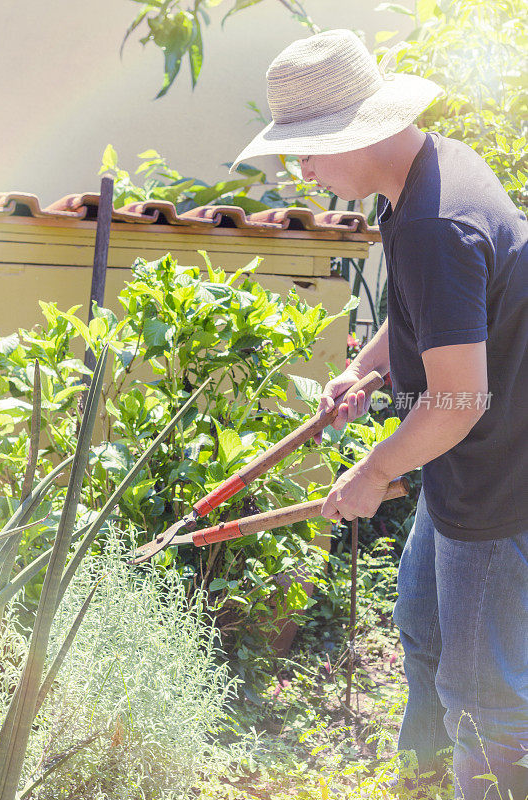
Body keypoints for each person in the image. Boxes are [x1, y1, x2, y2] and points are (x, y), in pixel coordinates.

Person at [230, 29, 528, 800]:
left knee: (486, 697)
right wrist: (365, 372)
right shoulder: (426, 175)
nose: (300, 167)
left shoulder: (432, 223)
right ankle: (419, 781)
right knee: (424, 629)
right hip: (469, 461)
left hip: (498, 477)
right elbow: (440, 317)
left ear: (359, 131)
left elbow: (457, 403)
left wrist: (371, 472)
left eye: (309, 148)